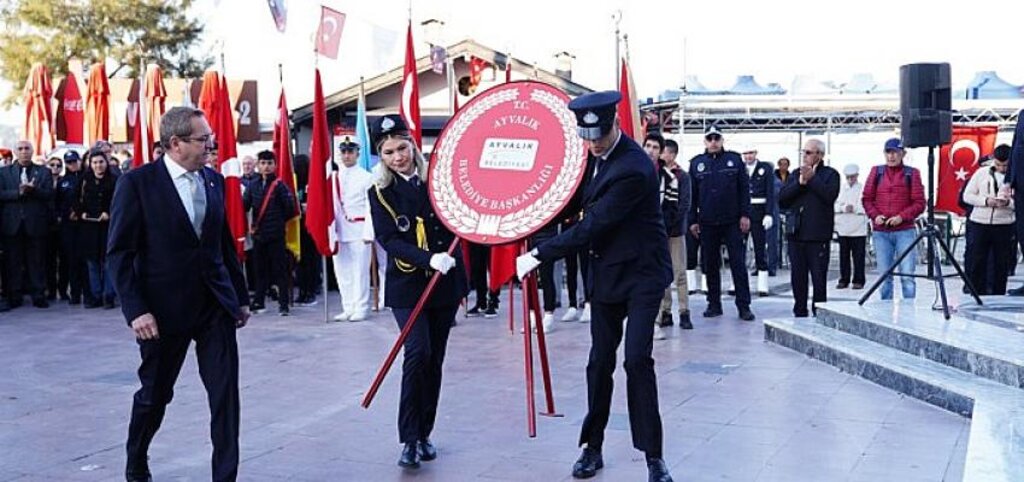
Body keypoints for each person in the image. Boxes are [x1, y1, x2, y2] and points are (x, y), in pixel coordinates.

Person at [516, 91, 675, 482]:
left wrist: (539, 254)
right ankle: (592, 447)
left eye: (599, 136)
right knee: (598, 362)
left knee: (637, 360)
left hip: (641, 275)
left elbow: (593, 225)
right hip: (606, 275)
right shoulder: (591, 158)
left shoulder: (635, 169)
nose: (593, 143)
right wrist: (528, 216)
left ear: (616, 125)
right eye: (586, 137)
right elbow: (573, 201)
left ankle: (653, 456)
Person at [107, 107, 250, 482]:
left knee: (225, 397)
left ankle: (225, 476)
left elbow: (220, 243)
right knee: (156, 394)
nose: (211, 145)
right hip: (161, 313)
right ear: (175, 144)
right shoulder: (137, 184)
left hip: (214, 308)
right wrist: (136, 310)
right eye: (203, 139)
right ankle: (136, 458)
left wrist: (240, 297)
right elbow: (119, 254)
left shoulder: (213, 181)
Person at [367, 114, 468, 469]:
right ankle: (408, 438)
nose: (398, 157)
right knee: (417, 354)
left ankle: (425, 432)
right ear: (381, 156)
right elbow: (389, 239)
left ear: (413, 145)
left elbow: (461, 214)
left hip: (444, 283)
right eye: (389, 151)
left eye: (402, 147)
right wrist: (428, 258)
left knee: (435, 360)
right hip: (409, 285)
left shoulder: (437, 181)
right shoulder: (378, 191)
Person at [688, 125, 756, 321]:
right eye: (710, 139)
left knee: (738, 264)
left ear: (722, 140)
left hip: (732, 221)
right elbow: (692, 196)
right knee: (710, 265)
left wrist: (745, 215)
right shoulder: (697, 164)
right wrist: (692, 220)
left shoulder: (734, 160)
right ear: (705, 142)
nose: (713, 142)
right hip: (707, 222)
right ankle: (714, 304)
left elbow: (744, 189)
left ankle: (744, 306)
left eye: (717, 138)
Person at [779, 139, 840, 317]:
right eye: (803, 152)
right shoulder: (795, 174)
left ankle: (819, 310)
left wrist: (812, 180)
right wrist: (800, 183)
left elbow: (829, 196)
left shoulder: (830, 174)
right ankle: (799, 309)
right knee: (798, 276)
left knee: (819, 276)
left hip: (818, 235)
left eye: (808, 152)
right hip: (796, 233)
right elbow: (782, 198)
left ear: (819, 155)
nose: (804, 156)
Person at [861, 138, 925, 300]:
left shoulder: (912, 173)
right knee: (884, 276)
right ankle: (885, 312)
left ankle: (909, 311)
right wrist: (875, 216)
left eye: (895, 152)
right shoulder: (877, 172)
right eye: (888, 152)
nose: (891, 156)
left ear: (903, 154)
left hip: (905, 231)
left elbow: (920, 203)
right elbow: (866, 198)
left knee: (907, 275)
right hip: (881, 232)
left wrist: (901, 217)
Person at [0, 140, 55, 308]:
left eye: (27, 148)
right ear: (15, 152)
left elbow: (48, 194)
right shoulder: (4, 173)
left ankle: (38, 294)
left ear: (32, 151)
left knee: (37, 261)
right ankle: (14, 295)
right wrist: (19, 192)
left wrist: (33, 190)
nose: (24, 151)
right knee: (13, 262)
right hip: (12, 224)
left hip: (35, 224)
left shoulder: (43, 172)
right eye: (20, 149)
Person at [245, 150, 299, 316]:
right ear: (258, 165)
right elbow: (244, 205)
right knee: (260, 271)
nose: (266, 167)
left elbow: (290, 208)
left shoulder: (280, 185)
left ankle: (283, 304)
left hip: (276, 235)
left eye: (269, 163)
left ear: (275, 165)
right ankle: (259, 301)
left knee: (280, 271)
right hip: (259, 235)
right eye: (262, 163)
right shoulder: (252, 185)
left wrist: (277, 221)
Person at [331, 137, 374, 321]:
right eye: (344, 152)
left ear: (358, 153)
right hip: (339, 230)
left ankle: (361, 307)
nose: (347, 155)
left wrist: (369, 232)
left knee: (360, 271)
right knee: (342, 271)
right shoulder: (333, 177)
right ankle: (347, 306)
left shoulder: (367, 177)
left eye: (351, 151)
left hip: (358, 229)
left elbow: (371, 207)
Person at [963, 144, 1015, 295]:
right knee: (977, 259)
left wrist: (1008, 203)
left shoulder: (1017, 174)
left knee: (1001, 261)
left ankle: (998, 292)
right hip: (980, 222)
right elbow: (967, 196)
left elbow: (1019, 201)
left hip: (1004, 224)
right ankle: (975, 291)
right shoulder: (981, 173)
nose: (1002, 168)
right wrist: (985, 201)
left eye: (1005, 165)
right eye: (998, 164)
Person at [76, 149, 119, 308]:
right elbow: (76, 201)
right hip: (89, 228)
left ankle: (108, 296)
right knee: (92, 263)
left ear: (106, 163)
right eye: (94, 162)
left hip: (108, 227)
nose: (98, 165)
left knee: (108, 263)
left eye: (101, 162)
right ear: (90, 164)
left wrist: (108, 213)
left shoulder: (115, 180)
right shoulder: (84, 181)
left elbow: (120, 202)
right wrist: (82, 212)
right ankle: (95, 296)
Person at [658, 138, 691, 331]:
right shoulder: (657, 175)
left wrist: (673, 224)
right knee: (663, 273)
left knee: (679, 272)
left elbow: (684, 204)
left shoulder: (682, 176)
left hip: (676, 232)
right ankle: (665, 311)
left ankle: (684, 311)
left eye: (665, 152)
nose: (662, 155)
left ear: (672, 154)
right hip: (659, 232)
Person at [741, 145, 777, 296]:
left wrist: (769, 213)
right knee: (738, 249)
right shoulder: (739, 168)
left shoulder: (765, 169)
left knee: (760, 248)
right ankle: (737, 283)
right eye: (746, 153)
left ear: (756, 153)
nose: (748, 156)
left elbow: (770, 192)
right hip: (742, 212)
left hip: (759, 211)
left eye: (751, 153)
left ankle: (762, 284)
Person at [56, 150, 86, 304]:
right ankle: (70, 292)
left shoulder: (86, 178)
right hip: (67, 226)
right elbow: (58, 203)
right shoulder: (62, 182)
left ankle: (84, 292)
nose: (72, 165)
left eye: (74, 161)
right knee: (69, 260)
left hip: (84, 223)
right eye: (69, 162)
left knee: (83, 259)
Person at [834, 164, 868, 290]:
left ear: (857, 176)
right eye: (848, 177)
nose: (850, 180)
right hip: (843, 227)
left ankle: (858, 280)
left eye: (852, 177)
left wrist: (855, 208)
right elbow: (834, 205)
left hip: (858, 227)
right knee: (843, 256)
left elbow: (866, 204)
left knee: (858, 256)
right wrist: (843, 208)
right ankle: (844, 279)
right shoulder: (840, 189)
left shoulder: (863, 189)